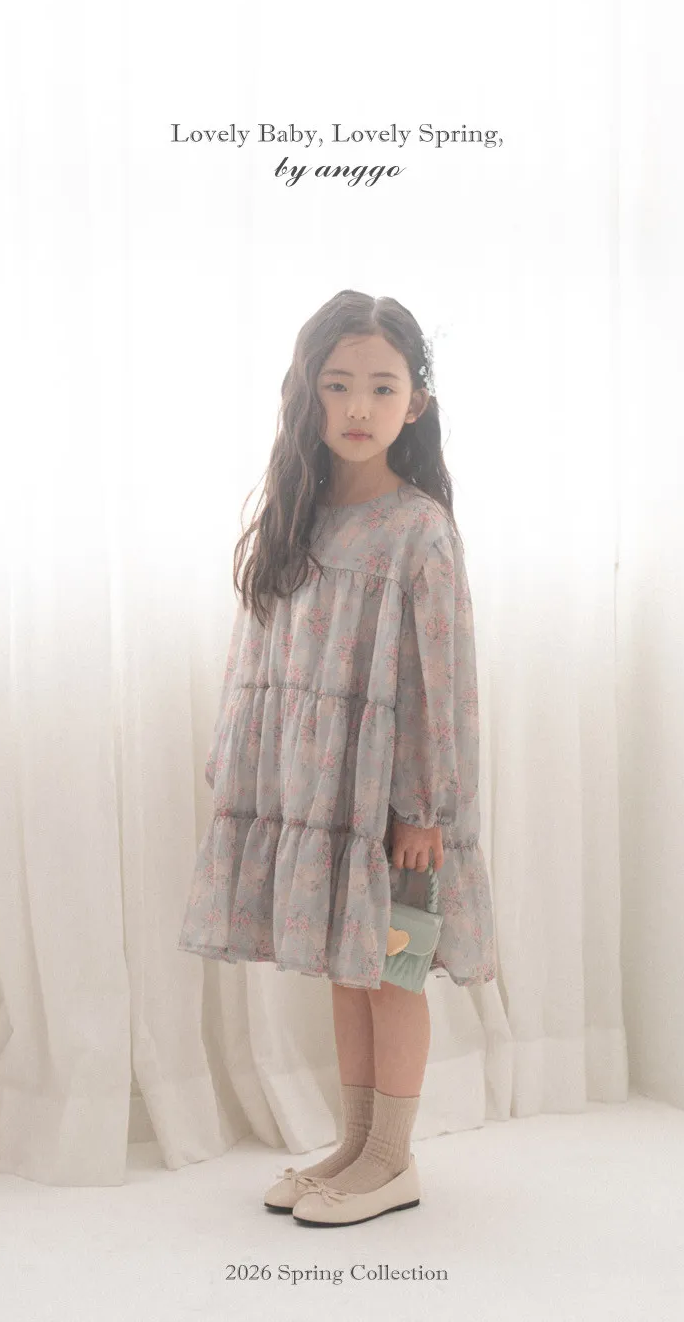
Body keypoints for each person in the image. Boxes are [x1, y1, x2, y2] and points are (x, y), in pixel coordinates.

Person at [177, 289, 497, 1226]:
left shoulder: (419, 529)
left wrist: (424, 806)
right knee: (350, 970)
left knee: (393, 972)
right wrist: (244, 762)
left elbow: (443, 678)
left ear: (416, 403)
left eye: (383, 387)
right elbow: (260, 659)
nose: (359, 407)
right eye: (338, 384)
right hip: (322, 796)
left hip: (393, 805)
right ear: (307, 395)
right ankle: (356, 1146)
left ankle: (393, 1159)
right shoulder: (300, 517)